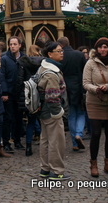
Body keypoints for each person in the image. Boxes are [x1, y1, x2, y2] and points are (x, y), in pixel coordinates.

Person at [83, 38, 108, 177]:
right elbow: (85, 83)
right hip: (94, 101)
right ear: (96, 48)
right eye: (100, 47)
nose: (102, 50)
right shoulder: (90, 63)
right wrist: (96, 88)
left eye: (105, 47)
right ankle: (93, 163)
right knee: (96, 133)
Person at [37, 41, 70, 181]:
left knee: (45, 139)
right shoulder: (51, 72)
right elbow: (52, 97)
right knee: (56, 141)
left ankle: (45, 169)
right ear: (50, 54)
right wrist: (58, 113)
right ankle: (57, 171)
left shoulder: (43, 67)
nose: (62, 53)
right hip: (51, 112)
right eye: (58, 51)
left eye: (62, 50)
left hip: (43, 110)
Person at [58, 37, 87, 152]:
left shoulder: (61, 56)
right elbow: (84, 70)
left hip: (66, 88)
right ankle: (79, 134)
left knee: (71, 114)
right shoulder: (79, 55)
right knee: (81, 112)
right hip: (78, 87)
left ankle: (75, 142)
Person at [17, 45, 43, 156]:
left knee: (30, 122)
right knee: (44, 122)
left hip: (28, 96)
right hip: (40, 94)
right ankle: (45, 145)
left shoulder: (23, 64)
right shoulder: (43, 63)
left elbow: (19, 80)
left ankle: (28, 146)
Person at [0, 36, 24, 153]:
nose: (12, 46)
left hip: (20, 93)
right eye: (11, 44)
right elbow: (2, 76)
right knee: (8, 118)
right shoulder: (5, 58)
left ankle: (17, 140)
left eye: (15, 44)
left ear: (20, 45)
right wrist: (4, 92)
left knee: (18, 118)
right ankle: (6, 142)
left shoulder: (23, 58)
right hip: (8, 93)